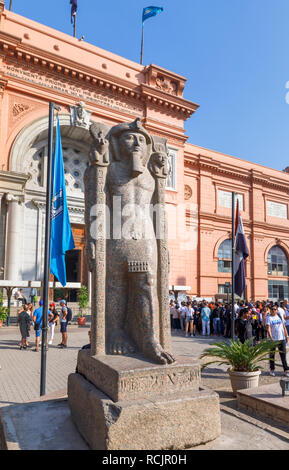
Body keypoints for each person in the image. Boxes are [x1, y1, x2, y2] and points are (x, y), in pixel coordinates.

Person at [266, 306, 289, 377]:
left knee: (283, 355)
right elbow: (268, 328)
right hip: (273, 340)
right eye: (272, 309)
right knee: (272, 355)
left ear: (277, 310)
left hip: (281, 338)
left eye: (275, 309)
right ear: (270, 310)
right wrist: (271, 337)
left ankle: (286, 370)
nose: (273, 310)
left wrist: (287, 336)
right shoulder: (268, 318)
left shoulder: (279, 316)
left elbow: (284, 326)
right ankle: (272, 369)